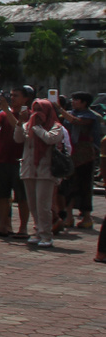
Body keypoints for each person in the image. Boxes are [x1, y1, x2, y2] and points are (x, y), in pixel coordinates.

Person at [15, 97, 67, 247]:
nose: (37, 113)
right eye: (35, 110)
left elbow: (50, 139)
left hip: (46, 170)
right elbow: (18, 139)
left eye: (40, 110)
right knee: (33, 204)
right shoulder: (27, 125)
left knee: (43, 205)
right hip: (29, 169)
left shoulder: (56, 126)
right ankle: (38, 231)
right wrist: (20, 122)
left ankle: (46, 235)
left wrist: (37, 127)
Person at [0, 88, 29, 239]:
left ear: (25, 99)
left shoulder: (28, 114)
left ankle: (23, 228)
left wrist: (6, 110)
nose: (12, 98)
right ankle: (3, 225)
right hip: (2, 158)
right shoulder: (4, 113)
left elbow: (18, 127)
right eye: (11, 96)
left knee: (22, 196)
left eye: (16, 95)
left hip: (20, 160)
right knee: (2, 195)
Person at [62, 92, 101, 232]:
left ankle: (87, 217)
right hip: (70, 154)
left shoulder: (91, 116)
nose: (73, 102)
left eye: (76, 100)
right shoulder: (68, 114)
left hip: (85, 156)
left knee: (85, 187)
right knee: (69, 185)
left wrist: (59, 109)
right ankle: (68, 215)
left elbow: (76, 122)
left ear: (84, 102)